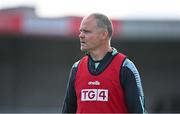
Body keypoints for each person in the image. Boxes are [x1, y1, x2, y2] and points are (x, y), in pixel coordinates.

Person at [62, 13, 146, 113]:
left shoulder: (125, 67)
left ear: (103, 34)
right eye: (81, 31)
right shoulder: (77, 68)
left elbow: (138, 111)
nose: (81, 35)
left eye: (86, 31)